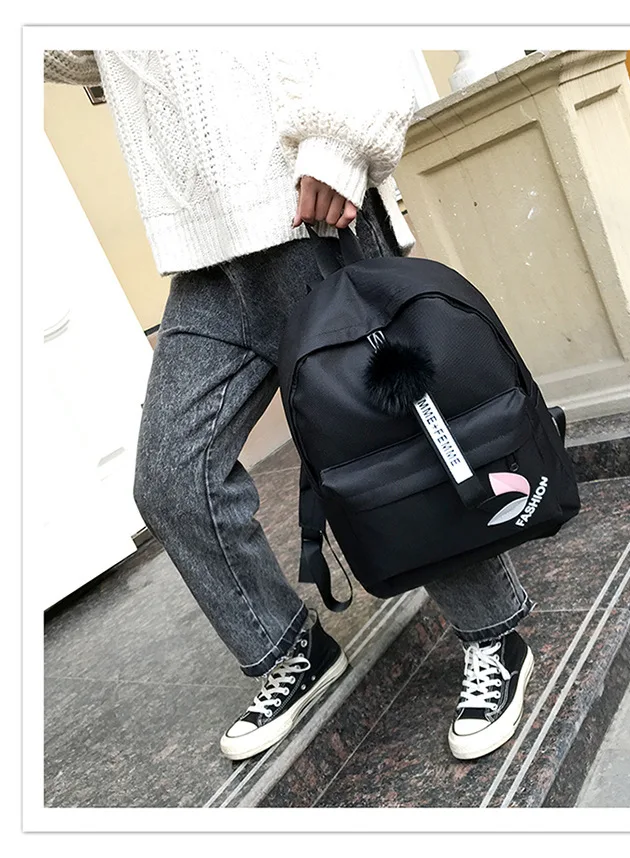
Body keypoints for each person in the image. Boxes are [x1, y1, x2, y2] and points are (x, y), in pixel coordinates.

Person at [44, 49, 535, 762]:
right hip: (207, 257)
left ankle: (495, 636)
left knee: (403, 447)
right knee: (172, 480)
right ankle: (291, 649)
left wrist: (339, 142)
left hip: (307, 213)